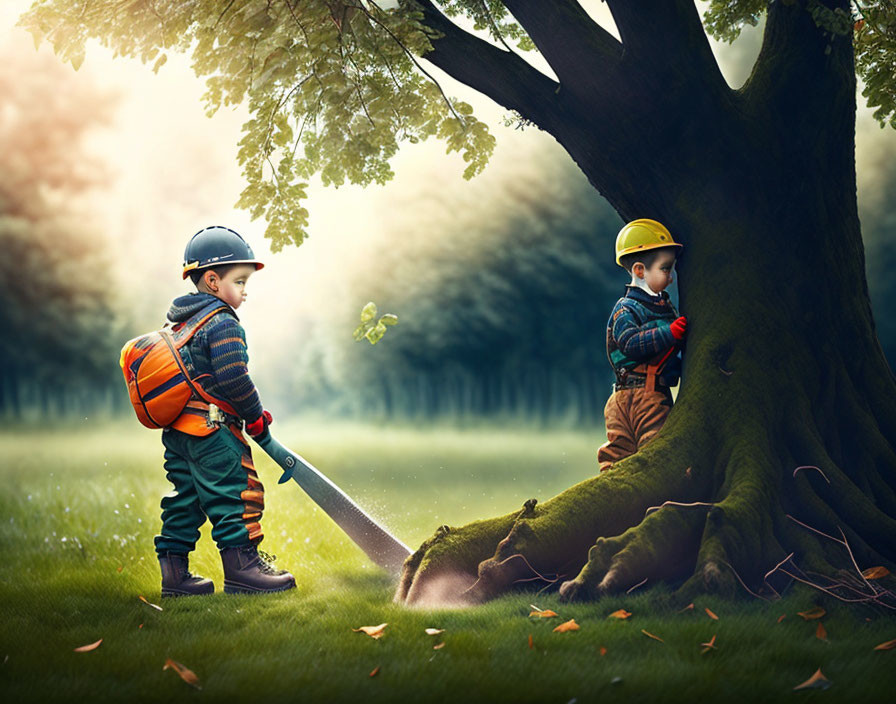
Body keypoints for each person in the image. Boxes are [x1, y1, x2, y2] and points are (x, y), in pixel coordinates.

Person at [154, 225, 296, 596]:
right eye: (241, 281)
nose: (246, 291)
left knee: (185, 500)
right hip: (214, 433)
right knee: (236, 494)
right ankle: (243, 570)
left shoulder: (180, 323)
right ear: (214, 281)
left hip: (178, 433)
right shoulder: (222, 321)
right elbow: (234, 377)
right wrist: (255, 415)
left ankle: (174, 576)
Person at [597, 219, 688, 473]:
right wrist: (668, 333)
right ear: (639, 270)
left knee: (649, 452)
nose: (670, 278)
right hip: (636, 398)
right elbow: (629, 342)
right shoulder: (626, 309)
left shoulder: (663, 307)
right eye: (665, 269)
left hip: (649, 390)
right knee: (632, 456)